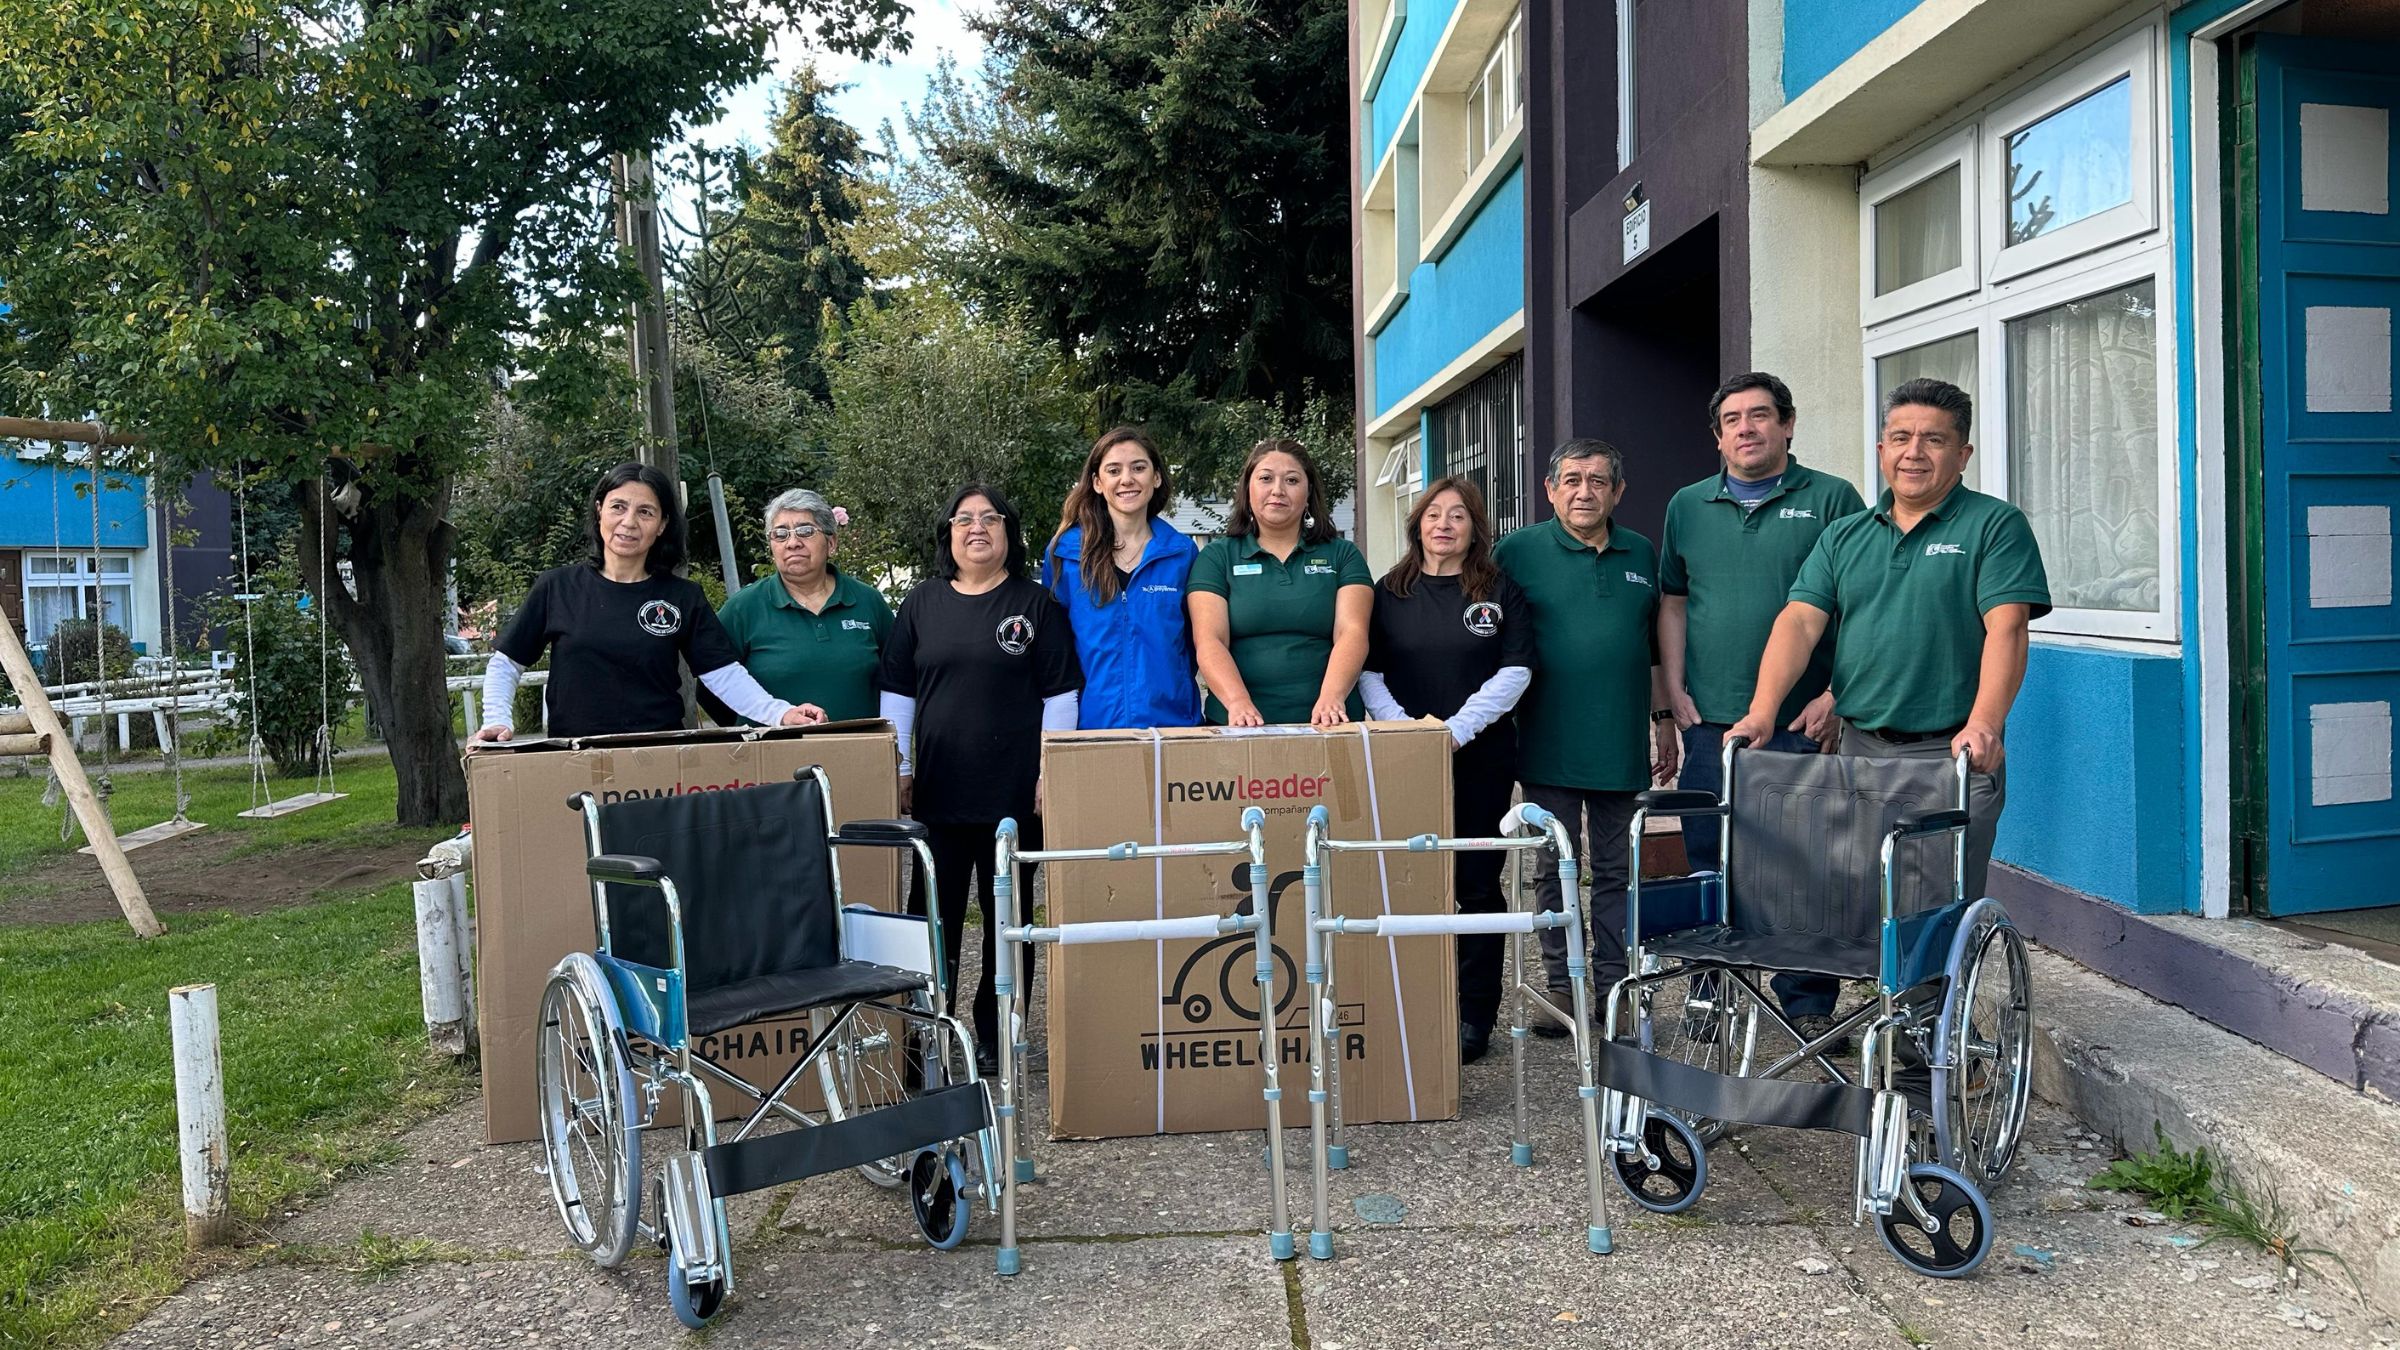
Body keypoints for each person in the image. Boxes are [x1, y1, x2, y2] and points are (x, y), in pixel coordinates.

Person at [1730, 377, 2049, 909]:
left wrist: (1987, 724)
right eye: (1900, 438)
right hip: (1858, 752)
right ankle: (1885, 995)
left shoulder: (1995, 525)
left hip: (1948, 756)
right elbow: (1800, 622)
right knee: (1857, 906)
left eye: (1934, 439)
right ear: (1881, 449)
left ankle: (1932, 994)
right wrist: (1762, 713)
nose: (1914, 453)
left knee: (1934, 912)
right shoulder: (1845, 535)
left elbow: (2008, 628)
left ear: (1963, 453)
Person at [1657, 372, 1866, 1038]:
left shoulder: (1834, 499)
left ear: (1788, 424)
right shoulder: (1687, 505)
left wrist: (1839, 695)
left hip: (1805, 720)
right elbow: (1674, 600)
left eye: (1761, 416)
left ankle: (1805, 999)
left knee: (1806, 863)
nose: (1747, 429)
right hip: (1712, 721)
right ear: (1717, 435)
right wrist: (1674, 690)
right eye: (1733, 420)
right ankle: (1710, 982)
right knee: (1707, 856)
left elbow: (1864, 607)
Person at [879, 484, 1083, 1073]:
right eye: (963, 520)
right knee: (930, 922)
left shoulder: (1036, 605)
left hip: (1014, 798)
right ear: (948, 534)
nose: (977, 529)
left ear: (1008, 533)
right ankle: (921, 1038)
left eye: (990, 518)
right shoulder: (921, 604)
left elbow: (1062, 693)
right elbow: (897, 693)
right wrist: (902, 767)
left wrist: (1051, 769)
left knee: (1007, 924)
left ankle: (999, 1034)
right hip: (938, 795)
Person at [1492, 439, 1678, 1033]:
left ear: (1618, 492)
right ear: (1549, 490)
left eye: (1598, 481)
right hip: (1547, 742)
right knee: (1553, 867)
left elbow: (1650, 647)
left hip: (1620, 743)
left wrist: (1663, 720)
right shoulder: (1516, 552)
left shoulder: (1641, 552)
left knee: (1619, 871)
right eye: (1571, 479)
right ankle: (1561, 986)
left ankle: (1616, 986)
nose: (1584, 491)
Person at [1359, 477, 1535, 1064]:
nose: (1444, 524)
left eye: (1457, 515)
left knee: (1477, 886)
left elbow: (1515, 673)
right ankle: (1411, 1007)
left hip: (1480, 761)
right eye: (1433, 513)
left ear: (1473, 528)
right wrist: (1411, 733)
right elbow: (1366, 671)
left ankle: (1473, 1014)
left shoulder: (1500, 592)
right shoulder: (1389, 592)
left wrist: (1453, 732)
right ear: (1417, 525)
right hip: (1404, 759)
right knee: (1409, 882)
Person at [470, 462, 825, 744]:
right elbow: (506, 663)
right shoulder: (557, 587)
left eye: (645, 512)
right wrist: (497, 720)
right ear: (599, 511)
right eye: (618, 507)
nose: (629, 522)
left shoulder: (682, 597)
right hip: (574, 758)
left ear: (662, 524)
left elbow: (723, 675)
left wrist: (779, 713)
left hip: (661, 757)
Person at [1186, 439, 1373, 727]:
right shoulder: (1217, 557)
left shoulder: (1343, 555)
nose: (1277, 490)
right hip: (1238, 726)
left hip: (1330, 724)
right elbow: (1210, 640)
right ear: (1248, 490)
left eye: (1292, 480)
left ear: (1309, 492)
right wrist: (1238, 703)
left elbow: (1352, 632)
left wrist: (1331, 698)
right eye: (1265, 478)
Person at [1041, 427, 1203, 728]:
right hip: (1091, 729)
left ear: (1156, 478)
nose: (1126, 479)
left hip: (1172, 727)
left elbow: (1196, 645)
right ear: (1098, 483)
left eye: (1138, 468)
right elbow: (1055, 651)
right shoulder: (1063, 554)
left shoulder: (1182, 554)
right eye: (1113, 470)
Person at [712, 488, 893, 723]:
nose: (793, 543)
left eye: (805, 531)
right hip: (769, 756)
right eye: (780, 534)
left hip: (858, 754)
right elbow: (714, 687)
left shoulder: (869, 602)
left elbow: (898, 681)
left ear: (831, 543)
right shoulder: (742, 609)